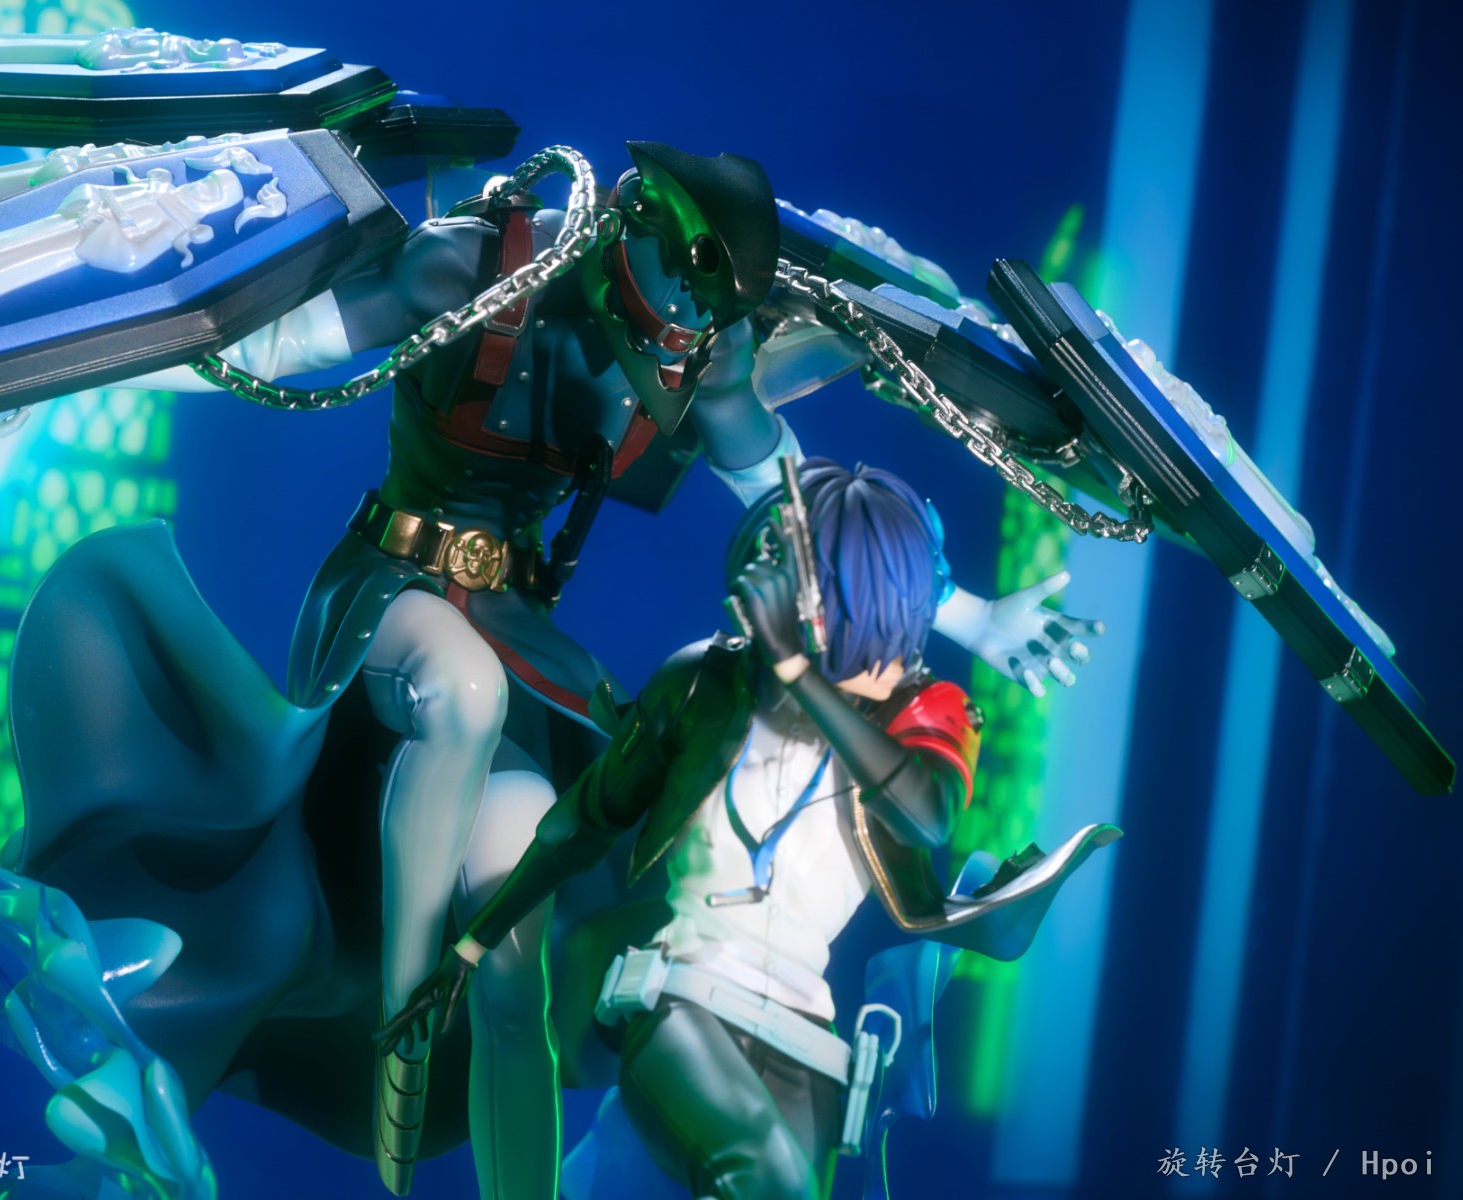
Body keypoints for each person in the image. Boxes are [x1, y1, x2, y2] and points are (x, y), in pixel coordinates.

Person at [140, 142, 1102, 1198]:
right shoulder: (472, 266)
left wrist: (970, 616)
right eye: (678, 296)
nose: (684, 330)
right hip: (387, 598)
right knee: (462, 695)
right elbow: (276, 345)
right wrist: (65, 356)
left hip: (517, 638)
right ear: (633, 222)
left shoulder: (700, 355)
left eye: (705, 317)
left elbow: (804, 521)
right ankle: (401, 1010)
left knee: (516, 965)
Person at [379, 459, 1119, 1199]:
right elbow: (581, 825)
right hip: (681, 1001)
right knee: (767, 1180)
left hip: (808, 1037)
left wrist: (802, 674)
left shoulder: (926, 714)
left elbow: (924, 815)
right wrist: (473, 945)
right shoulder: (704, 683)